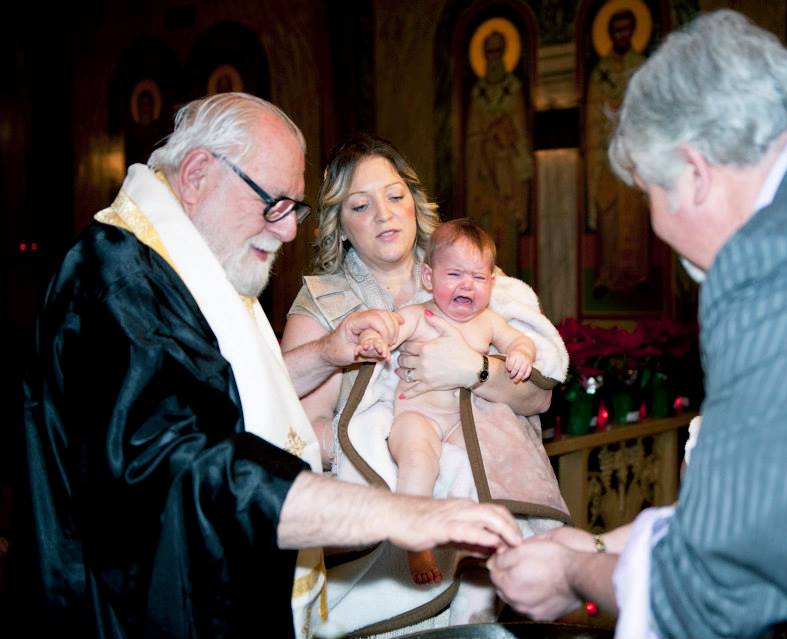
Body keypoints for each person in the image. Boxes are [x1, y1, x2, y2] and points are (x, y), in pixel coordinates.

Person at [490, 9, 787, 638]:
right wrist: (606, 547)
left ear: (694, 172)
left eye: (650, 196)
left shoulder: (780, 258)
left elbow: (717, 590)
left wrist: (574, 575)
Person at [12, 92, 522, 639]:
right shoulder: (118, 283)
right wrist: (403, 513)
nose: (286, 230)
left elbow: (233, 393)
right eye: (274, 202)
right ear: (199, 175)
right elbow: (185, 465)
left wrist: (325, 354)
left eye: (294, 208)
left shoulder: (194, 262)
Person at [281, 134, 569, 635]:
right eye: (360, 205)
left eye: (394, 196)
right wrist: (379, 451)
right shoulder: (320, 306)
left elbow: (538, 394)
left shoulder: (464, 273)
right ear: (340, 225)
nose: (384, 214)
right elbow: (300, 433)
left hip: (484, 490)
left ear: (414, 201)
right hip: (385, 521)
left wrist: (473, 369)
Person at [354, 218, 536, 585]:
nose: (466, 284)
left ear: (491, 283)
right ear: (428, 278)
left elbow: (520, 341)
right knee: (421, 462)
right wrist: (376, 337)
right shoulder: (419, 315)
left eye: (478, 277)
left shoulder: (489, 321)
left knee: (491, 463)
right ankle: (415, 538)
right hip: (416, 417)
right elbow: (391, 327)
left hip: (459, 420)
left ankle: (493, 542)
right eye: (453, 274)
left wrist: (520, 354)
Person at [585, 7, 650, 296]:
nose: (622, 35)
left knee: (634, 221)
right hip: (607, 160)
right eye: (617, 30)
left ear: (633, 31)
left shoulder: (643, 67)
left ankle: (638, 277)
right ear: (610, 34)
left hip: (635, 160)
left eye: (627, 29)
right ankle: (607, 276)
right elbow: (592, 117)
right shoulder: (601, 73)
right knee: (609, 220)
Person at [465, 26, 533, 278]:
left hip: (508, 178)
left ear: (504, 53)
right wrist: (485, 143)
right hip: (484, 176)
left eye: (497, 51)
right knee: (484, 239)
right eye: (489, 52)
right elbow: (472, 138)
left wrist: (504, 136)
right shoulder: (477, 93)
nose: (493, 57)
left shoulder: (513, 89)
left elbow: (520, 134)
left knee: (508, 234)